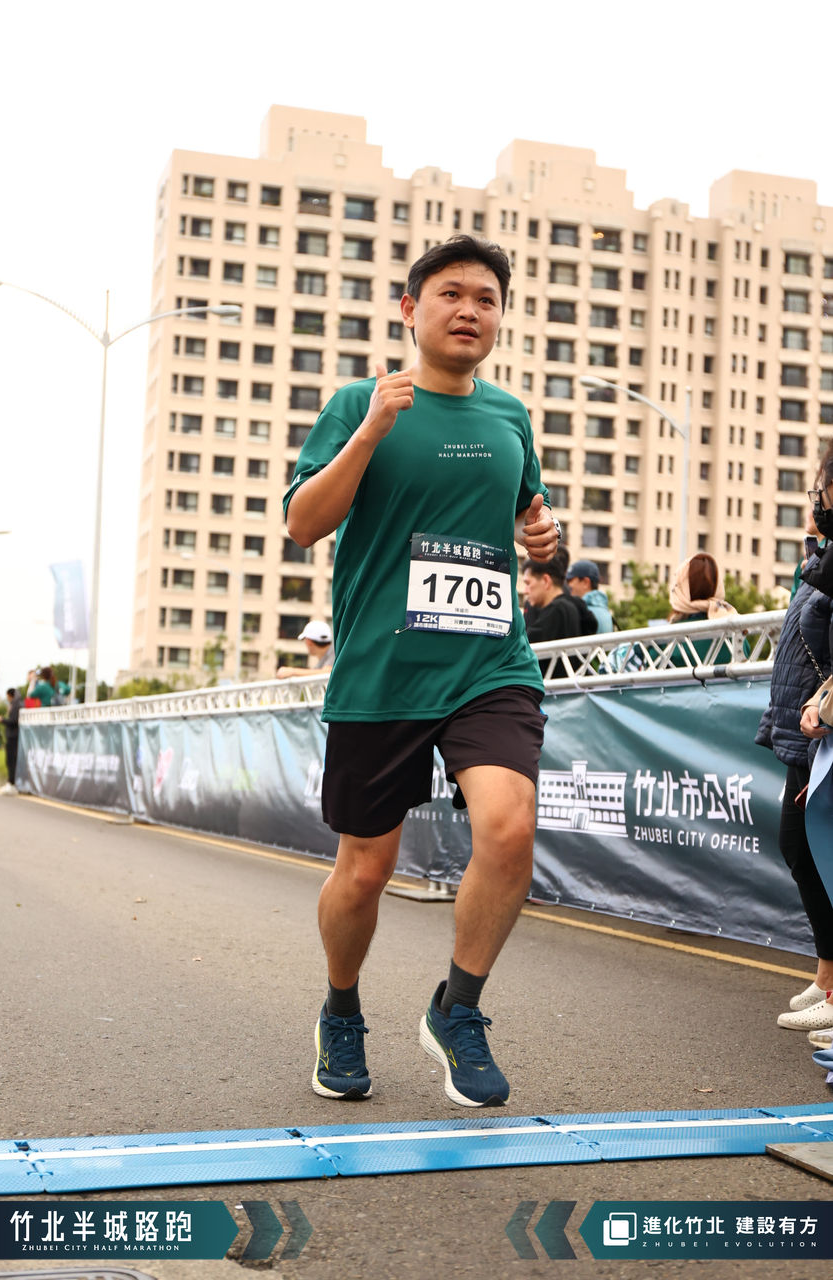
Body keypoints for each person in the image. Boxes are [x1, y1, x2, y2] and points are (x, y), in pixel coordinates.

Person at [283, 234, 559, 1108]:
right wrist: (369, 432)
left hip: (489, 663)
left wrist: (542, 536)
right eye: (450, 294)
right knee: (365, 870)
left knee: (508, 827)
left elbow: (529, 518)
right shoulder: (357, 403)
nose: (469, 309)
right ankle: (340, 1010)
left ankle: (458, 1010)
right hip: (384, 672)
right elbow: (303, 523)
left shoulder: (509, 417)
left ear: (500, 317)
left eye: (486, 298)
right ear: (411, 309)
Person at [756, 441, 833, 1034]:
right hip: (805, 729)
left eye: (821, 487)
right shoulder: (820, 560)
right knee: (800, 847)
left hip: (821, 728)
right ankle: (827, 975)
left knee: (814, 850)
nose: (815, 500)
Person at [522, 556, 585, 675]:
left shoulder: (556, 611)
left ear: (546, 581)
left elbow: (522, 648)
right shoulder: (573, 608)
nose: (525, 591)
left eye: (528, 583)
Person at [565, 559, 614, 632]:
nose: (568, 585)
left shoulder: (584, 614)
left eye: (570, 581)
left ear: (586, 582)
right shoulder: (605, 612)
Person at [0, 687, 22, 794]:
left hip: (13, 737)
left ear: (10, 695)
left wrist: (2, 720)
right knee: (9, 760)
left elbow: (14, 721)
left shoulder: (16, 705)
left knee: (11, 761)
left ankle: (12, 783)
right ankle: (10, 782)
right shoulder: (14, 705)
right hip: (11, 736)